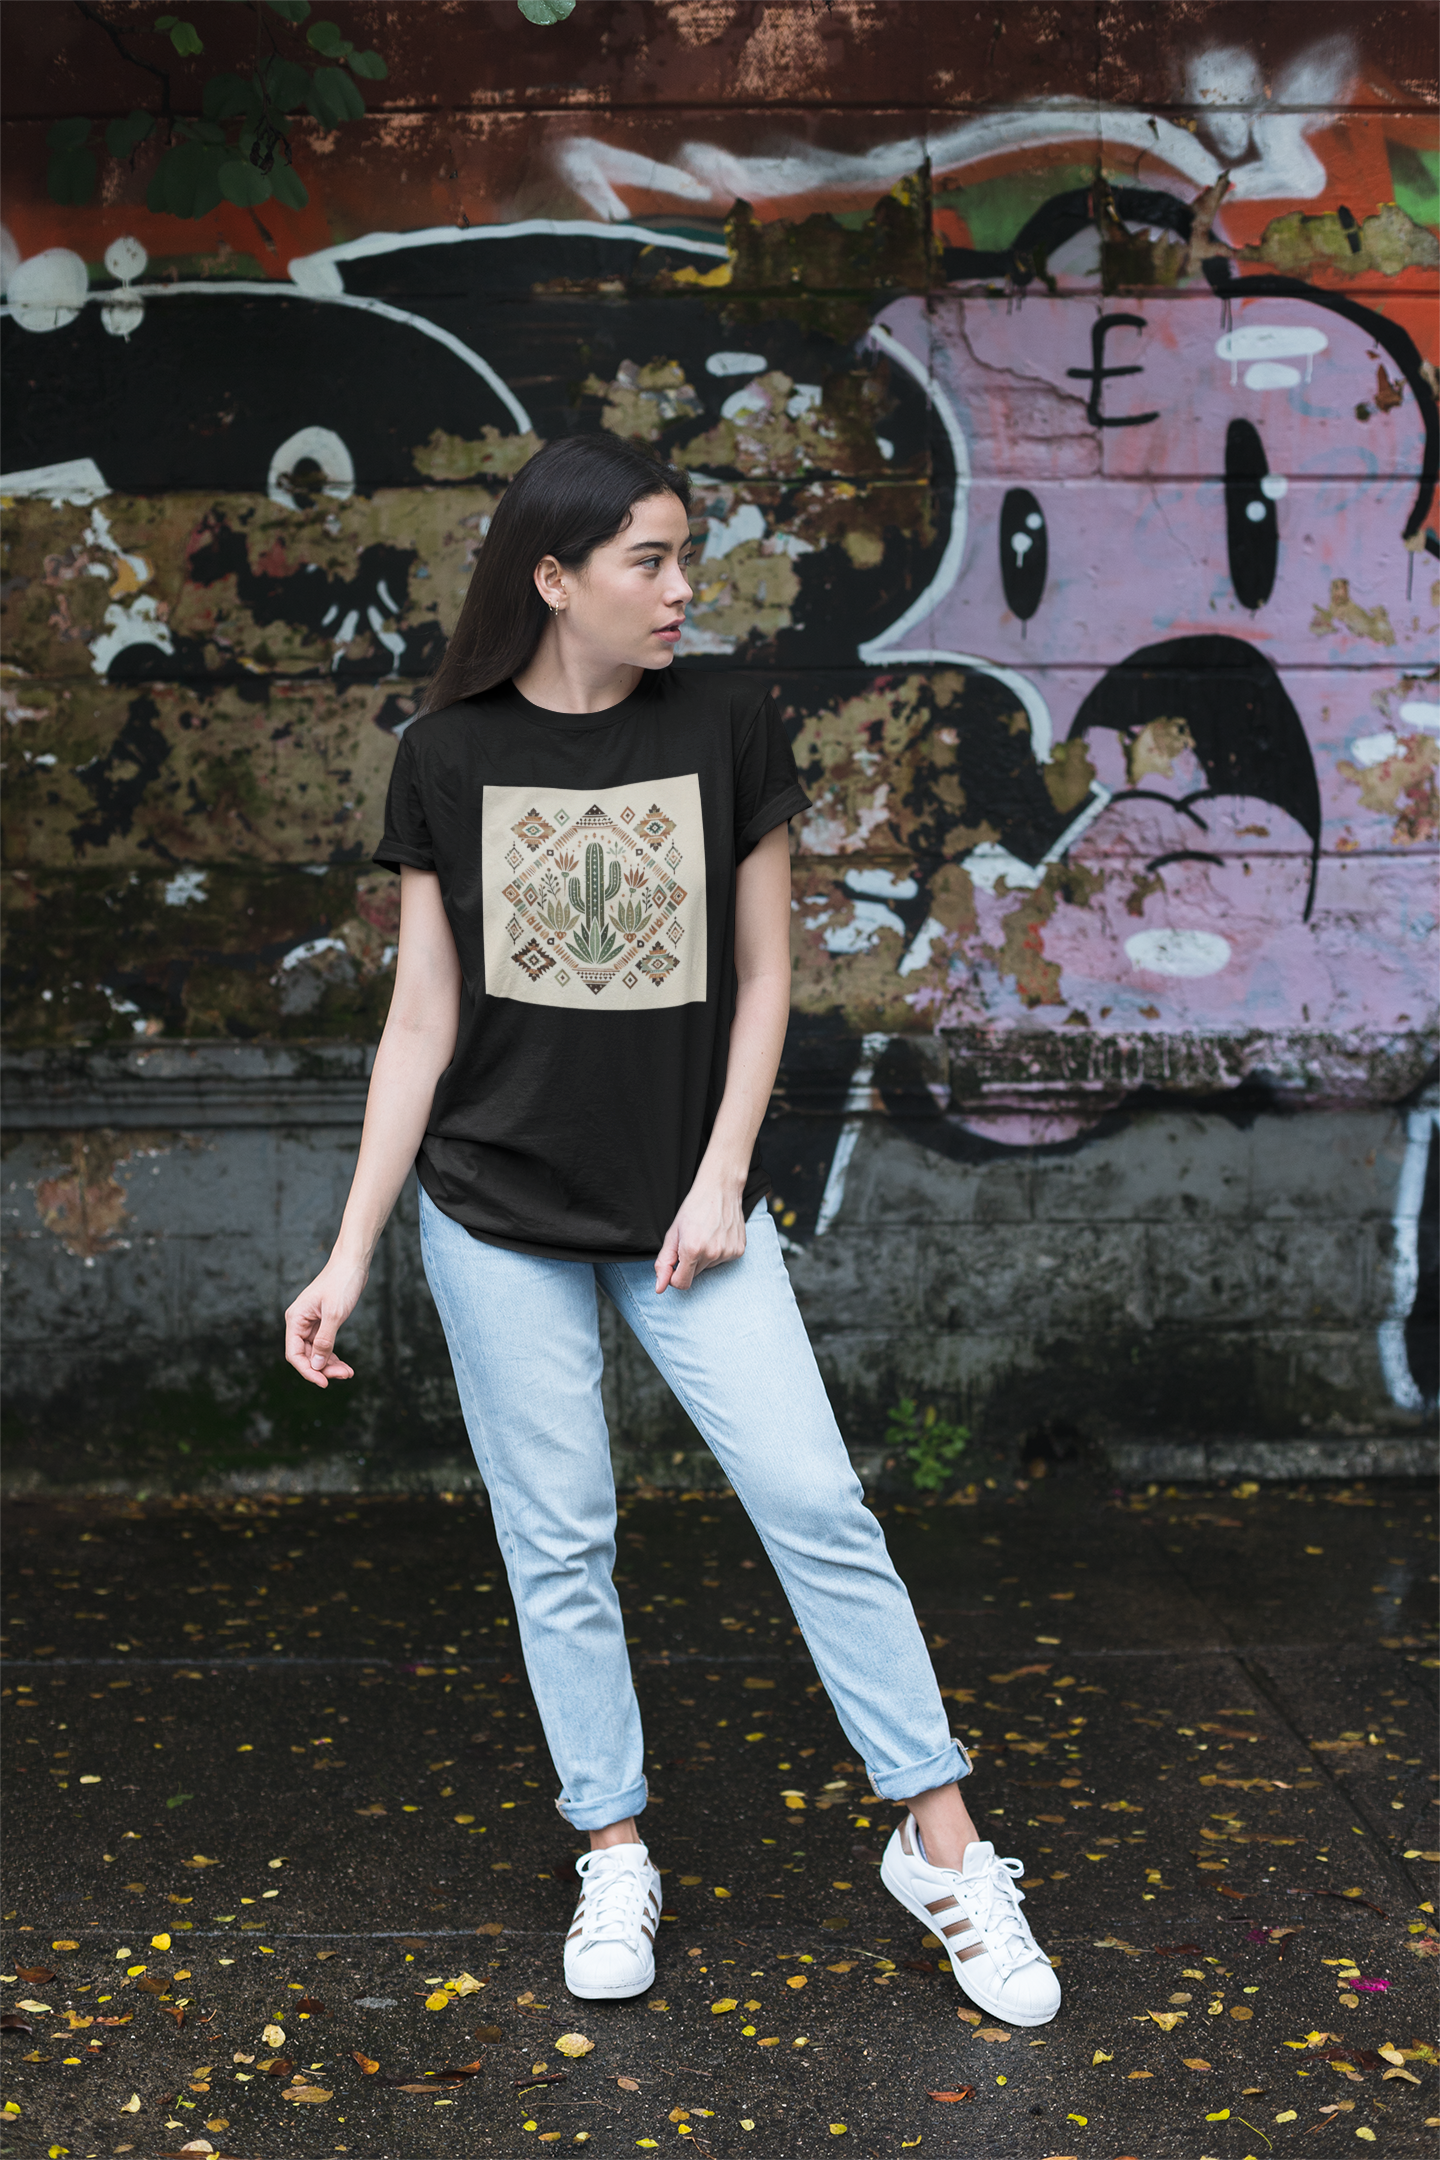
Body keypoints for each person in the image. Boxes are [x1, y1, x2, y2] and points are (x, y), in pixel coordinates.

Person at [281, 432, 1060, 2025]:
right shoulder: (446, 753)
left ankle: (945, 1846)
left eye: (685, 555)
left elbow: (770, 978)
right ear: (554, 579)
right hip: (495, 1214)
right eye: (649, 559)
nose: (682, 588)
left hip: (689, 1214)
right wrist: (349, 1252)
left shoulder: (723, 725)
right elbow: (419, 1025)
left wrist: (722, 1176)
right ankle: (611, 1844)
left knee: (817, 1500)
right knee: (559, 1544)